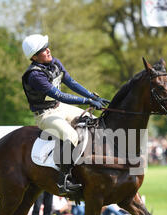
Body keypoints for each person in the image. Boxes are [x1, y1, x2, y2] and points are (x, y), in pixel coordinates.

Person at [21, 34, 110, 195]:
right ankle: (63, 180)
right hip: (45, 115)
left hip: (60, 107)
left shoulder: (54, 63)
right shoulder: (34, 76)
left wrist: (92, 96)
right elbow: (59, 95)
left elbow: (71, 83)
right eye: (43, 50)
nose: (48, 50)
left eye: (47, 46)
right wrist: (86, 101)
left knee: (96, 122)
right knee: (71, 136)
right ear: (34, 57)